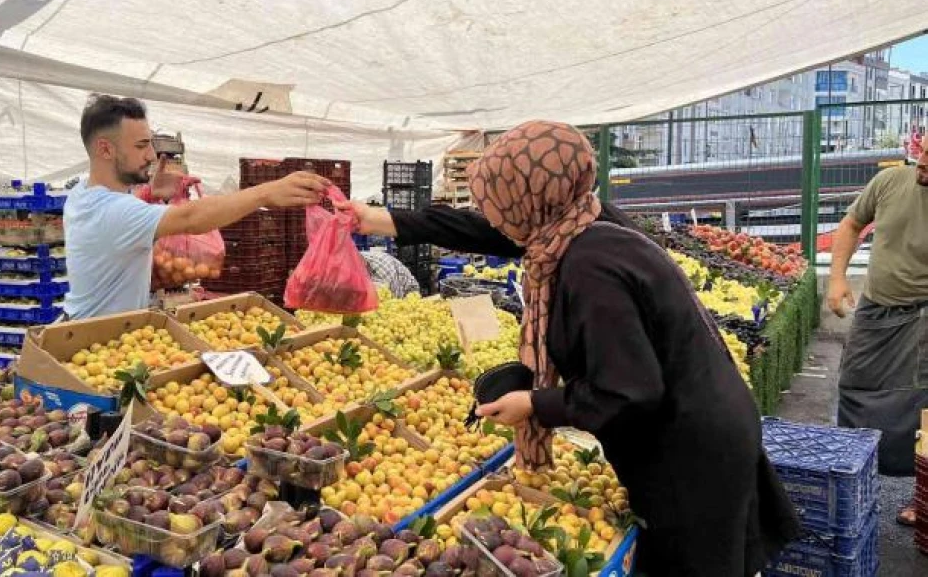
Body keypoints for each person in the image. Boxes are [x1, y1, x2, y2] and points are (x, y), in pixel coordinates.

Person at [340, 121, 800, 576]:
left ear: (528, 200)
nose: (495, 214)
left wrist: (535, 403)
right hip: (707, 420)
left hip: (686, 453)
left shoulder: (589, 268)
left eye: (498, 202)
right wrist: (381, 220)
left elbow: (630, 392)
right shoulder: (579, 221)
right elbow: (489, 231)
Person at [63, 94, 329, 320]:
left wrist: (149, 194)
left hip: (84, 324)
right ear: (105, 150)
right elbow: (191, 217)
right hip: (97, 339)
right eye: (141, 146)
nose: (152, 156)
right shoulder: (113, 211)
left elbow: (117, 220)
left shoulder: (82, 193)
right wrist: (265, 193)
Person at [827, 148, 928, 526]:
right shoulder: (889, 181)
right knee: (855, 386)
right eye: (924, 155)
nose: (923, 165)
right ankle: (851, 484)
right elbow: (852, 224)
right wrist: (837, 278)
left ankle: (924, 499)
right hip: (875, 308)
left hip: (923, 313)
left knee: (923, 405)